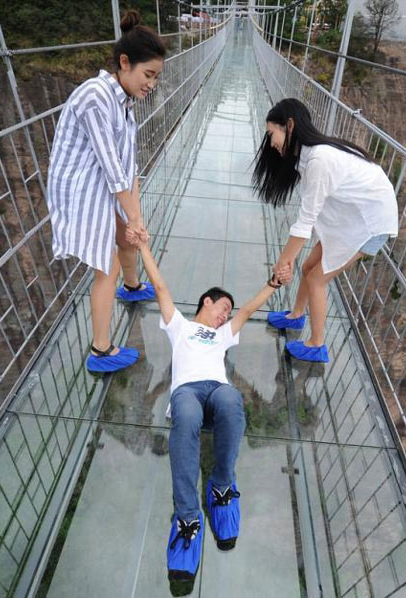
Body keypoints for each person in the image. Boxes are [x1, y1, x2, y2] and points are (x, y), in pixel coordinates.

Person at [134, 238, 286, 582]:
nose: (226, 315)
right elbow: (159, 286)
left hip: (216, 388)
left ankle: (220, 486)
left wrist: (273, 284)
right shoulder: (181, 326)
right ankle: (188, 516)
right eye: (223, 308)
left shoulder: (224, 336)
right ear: (207, 301)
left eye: (228, 314)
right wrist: (143, 247)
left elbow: (248, 311)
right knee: (185, 416)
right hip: (187, 390)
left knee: (232, 400)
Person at [46, 10, 165, 373]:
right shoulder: (97, 96)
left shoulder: (123, 100)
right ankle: (100, 350)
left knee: (128, 239)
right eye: (148, 75)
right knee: (106, 265)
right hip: (82, 189)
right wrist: (133, 218)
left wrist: (136, 219)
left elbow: (127, 165)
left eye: (156, 78)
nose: (152, 85)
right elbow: (114, 170)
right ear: (124, 63)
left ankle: (132, 287)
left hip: (101, 181)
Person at [253, 98, 399, 363]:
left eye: (271, 134)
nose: (271, 142)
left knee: (318, 279)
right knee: (308, 268)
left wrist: (283, 261)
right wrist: (289, 259)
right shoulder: (310, 156)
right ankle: (296, 317)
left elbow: (306, 220)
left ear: (290, 125)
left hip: (369, 224)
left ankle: (317, 345)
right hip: (353, 219)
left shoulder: (319, 159)